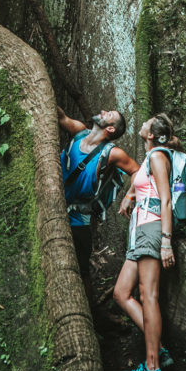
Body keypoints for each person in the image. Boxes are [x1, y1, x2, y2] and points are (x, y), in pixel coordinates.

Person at [113, 113, 180, 371]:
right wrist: (130, 197)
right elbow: (142, 185)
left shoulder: (157, 157)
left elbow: (165, 200)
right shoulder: (150, 158)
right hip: (140, 232)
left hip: (152, 230)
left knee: (148, 296)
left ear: (151, 134)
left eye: (148, 122)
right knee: (121, 293)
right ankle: (160, 350)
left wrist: (166, 242)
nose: (143, 123)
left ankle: (152, 368)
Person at [58, 106, 140, 304]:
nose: (103, 111)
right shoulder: (78, 131)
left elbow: (138, 170)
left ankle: (90, 315)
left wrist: (130, 196)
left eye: (108, 115)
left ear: (110, 129)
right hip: (53, 207)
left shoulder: (111, 153)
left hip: (78, 219)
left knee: (82, 270)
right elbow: (60, 115)